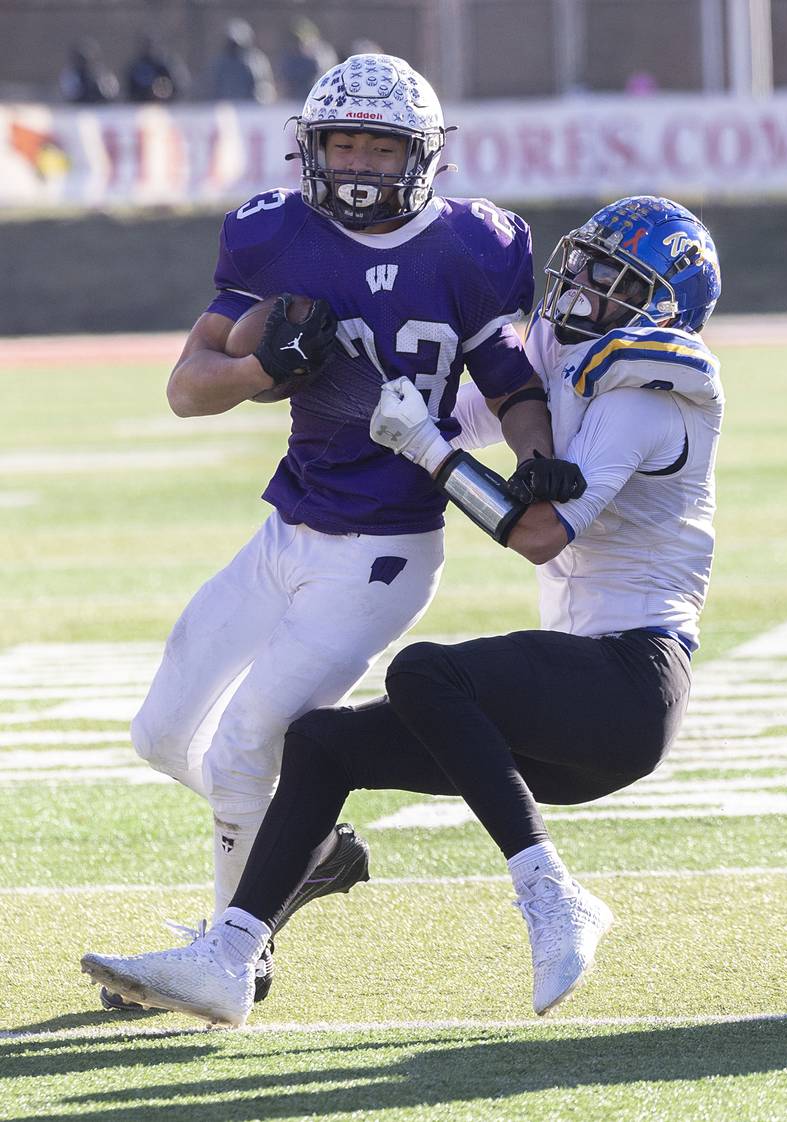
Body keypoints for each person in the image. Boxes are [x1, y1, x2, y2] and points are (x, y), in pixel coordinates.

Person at [81, 195, 724, 1027]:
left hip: (628, 687)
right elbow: (452, 412)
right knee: (319, 744)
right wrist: (343, 386)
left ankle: (553, 895)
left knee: (425, 671)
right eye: (585, 259)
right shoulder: (565, 355)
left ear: (662, 302)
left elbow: (534, 534)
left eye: (611, 277)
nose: (579, 282)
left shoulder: (646, 394)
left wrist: (425, 447)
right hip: (570, 700)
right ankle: (233, 959)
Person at [88, 52, 583, 1013]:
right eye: (340, 140)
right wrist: (258, 365)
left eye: (378, 143)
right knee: (159, 735)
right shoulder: (274, 237)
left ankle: (236, 958)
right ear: (309, 149)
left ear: (425, 155)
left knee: (240, 750)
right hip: (288, 527)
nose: (356, 161)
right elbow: (189, 388)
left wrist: (534, 452)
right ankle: (304, 852)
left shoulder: (474, 247)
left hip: (384, 549)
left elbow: (513, 384)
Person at [208, 19, 276, 103]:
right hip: (227, 109)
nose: (233, 47)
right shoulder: (221, 62)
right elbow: (214, 85)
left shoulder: (255, 60)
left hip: (250, 107)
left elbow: (263, 86)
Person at [125, 35, 187, 103]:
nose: (147, 49)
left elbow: (173, 87)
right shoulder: (135, 67)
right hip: (138, 105)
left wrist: (164, 96)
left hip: (161, 106)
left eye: (149, 46)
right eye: (145, 46)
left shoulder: (161, 66)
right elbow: (129, 89)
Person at [59, 39, 119, 104]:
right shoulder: (71, 75)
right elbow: (70, 93)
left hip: (102, 108)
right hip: (78, 109)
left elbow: (111, 92)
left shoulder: (102, 73)